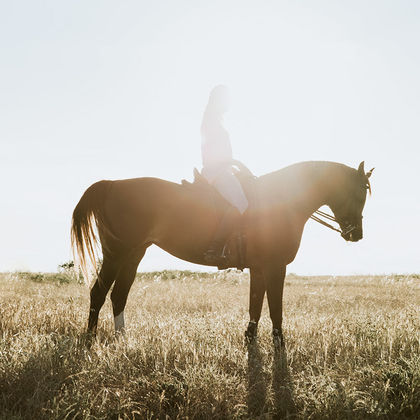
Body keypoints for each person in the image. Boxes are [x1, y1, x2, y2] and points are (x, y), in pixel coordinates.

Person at [201, 85, 248, 264]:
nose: (229, 103)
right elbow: (211, 155)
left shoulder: (215, 120)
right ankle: (215, 247)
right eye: (226, 99)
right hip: (216, 171)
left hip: (223, 169)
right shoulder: (212, 122)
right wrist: (231, 163)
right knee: (242, 203)